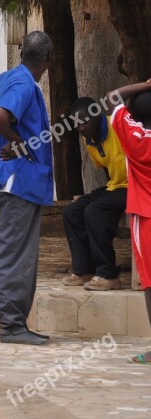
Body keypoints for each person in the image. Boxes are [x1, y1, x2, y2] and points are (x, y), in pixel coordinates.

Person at [0, 31, 55, 346]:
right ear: (48, 59)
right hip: (16, 181)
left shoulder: (9, 77)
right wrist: (17, 144)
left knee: (19, 252)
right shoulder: (21, 85)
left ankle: (15, 324)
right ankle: (11, 326)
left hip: (9, 177)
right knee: (14, 253)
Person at [101, 79, 151, 364]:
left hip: (145, 217)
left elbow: (112, 97)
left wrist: (145, 84)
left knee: (149, 282)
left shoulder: (132, 134)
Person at [62, 97, 127, 290]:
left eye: (85, 121)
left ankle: (108, 275)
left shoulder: (117, 126)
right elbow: (107, 169)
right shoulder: (88, 139)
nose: (81, 127)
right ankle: (84, 270)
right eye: (77, 124)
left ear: (98, 116)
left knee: (94, 211)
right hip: (115, 186)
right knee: (72, 211)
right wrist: (105, 193)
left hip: (137, 186)